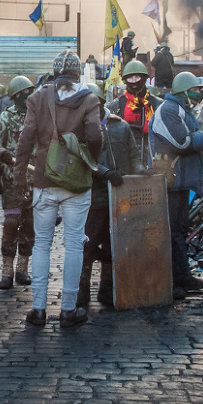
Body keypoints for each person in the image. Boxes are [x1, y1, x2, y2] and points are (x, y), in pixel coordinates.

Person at [11, 51, 102, 329]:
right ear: (77, 74)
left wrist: (19, 180)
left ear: (54, 72)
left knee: (42, 244)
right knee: (74, 244)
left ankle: (38, 310)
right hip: (76, 183)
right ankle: (68, 310)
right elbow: (96, 136)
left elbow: (25, 141)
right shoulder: (88, 98)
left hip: (43, 180)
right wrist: (89, 161)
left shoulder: (38, 98)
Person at [149, 71, 203, 298]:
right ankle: (172, 281)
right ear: (185, 90)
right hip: (170, 181)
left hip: (178, 182)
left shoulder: (179, 110)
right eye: (195, 90)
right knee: (170, 232)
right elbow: (182, 141)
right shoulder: (169, 110)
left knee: (178, 230)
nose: (198, 95)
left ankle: (182, 276)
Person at [78, 94, 138, 310]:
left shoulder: (121, 126)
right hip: (94, 197)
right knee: (87, 244)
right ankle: (81, 291)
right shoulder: (82, 129)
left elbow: (133, 154)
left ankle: (108, 289)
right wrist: (104, 173)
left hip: (119, 196)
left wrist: (139, 177)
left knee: (114, 245)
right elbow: (82, 158)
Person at [0, 75, 36, 290]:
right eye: (24, 92)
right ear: (15, 96)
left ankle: (22, 268)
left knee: (29, 225)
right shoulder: (6, 117)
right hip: (11, 179)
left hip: (33, 179)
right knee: (11, 224)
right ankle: (7, 270)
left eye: (30, 91)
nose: (28, 95)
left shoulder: (38, 115)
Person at [106, 60, 162, 168]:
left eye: (137, 77)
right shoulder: (117, 105)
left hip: (152, 157)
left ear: (144, 78)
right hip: (125, 158)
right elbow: (103, 124)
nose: (134, 81)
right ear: (125, 80)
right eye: (130, 78)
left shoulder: (157, 104)